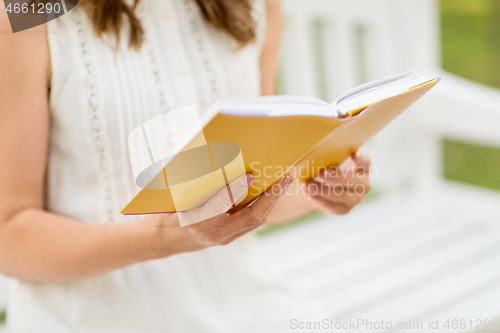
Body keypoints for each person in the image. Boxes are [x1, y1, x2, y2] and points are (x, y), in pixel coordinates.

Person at [0, 0, 371, 331]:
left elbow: (253, 184)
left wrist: (321, 185)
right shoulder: (26, 14)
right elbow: (10, 235)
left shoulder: (255, 5)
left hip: (243, 299)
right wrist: (157, 238)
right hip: (86, 315)